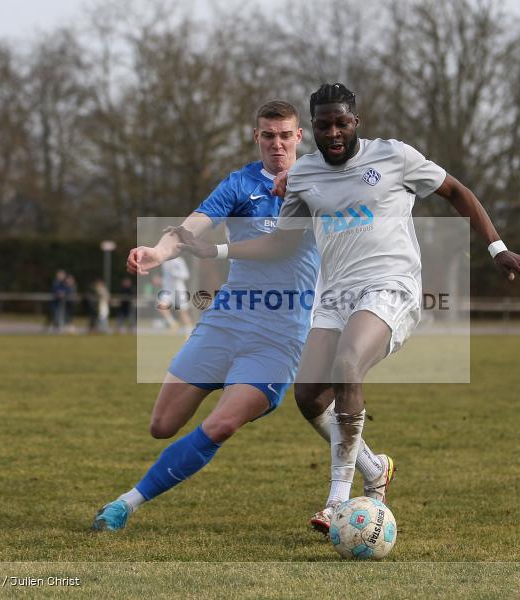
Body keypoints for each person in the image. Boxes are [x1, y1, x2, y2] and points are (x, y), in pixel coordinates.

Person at [174, 83, 520, 533]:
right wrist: (215, 251)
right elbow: (280, 244)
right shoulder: (304, 175)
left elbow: (457, 191)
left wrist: (496, 247)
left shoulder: (395, 157)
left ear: (355, 122)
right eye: (324, 124)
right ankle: (374, 468)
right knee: (309, 396)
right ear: (313, 128)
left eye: (341, 123)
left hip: (392, 288)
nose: (333, 132)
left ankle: (337, 502)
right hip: (335, 296)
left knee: (347, 364)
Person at [92, 100, 393, 531]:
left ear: (299, 137)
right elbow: (192, 226)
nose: (277, 144)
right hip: (226, 321)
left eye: (285, 135)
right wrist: (157, 251)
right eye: (268, 136)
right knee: (162, 425)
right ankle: (373, 465)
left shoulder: (320, 180)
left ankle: (126, 504)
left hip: (280, 336)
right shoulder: (239, 184)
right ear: (257, 137)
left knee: (221, 424)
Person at [157, 257, 193, 334]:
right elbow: (166, 278)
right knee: (161, 306)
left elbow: (186, 275)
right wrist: (161, 281)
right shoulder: (165, 262)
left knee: (182, 313)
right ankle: (173, 324)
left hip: (179, 289)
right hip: (167, 290)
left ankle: (190, 333)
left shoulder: (179, 261)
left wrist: (174, 273)